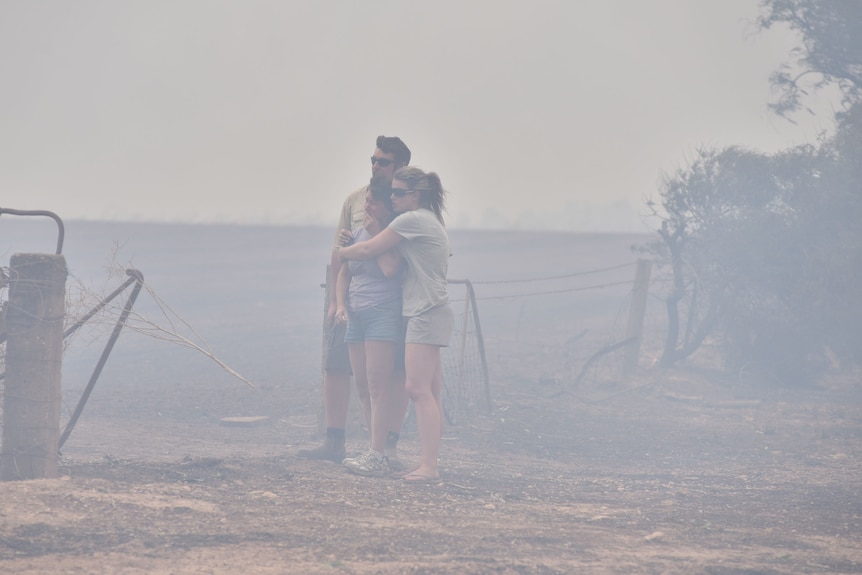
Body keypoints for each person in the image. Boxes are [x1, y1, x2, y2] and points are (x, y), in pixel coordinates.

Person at [297, 136, 411, 463]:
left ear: (400, 166)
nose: (375, 166)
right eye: (373, 160)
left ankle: (386, 447)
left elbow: (399, 259)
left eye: (383, 162)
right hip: (353, 298)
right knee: (338, 366)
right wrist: (336, 302)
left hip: (392, 301)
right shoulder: (355, 200)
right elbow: (340, 253)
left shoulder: (409, 200)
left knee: (394, 374)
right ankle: (335, 441)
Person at [338, 166, 453, 483]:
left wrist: (341, 250)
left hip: (425, 311)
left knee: (417, 389)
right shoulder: (427, 220)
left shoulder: (412, 219)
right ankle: (428, 462)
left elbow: (368, 250)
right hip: (432, 310)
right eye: (392, 193)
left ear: (415, 196)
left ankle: (429, 466)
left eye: (399, 193)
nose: (393, 198)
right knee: (430, 390)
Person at [334, 187, 408, 477]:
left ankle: (379, 454)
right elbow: (345, 272)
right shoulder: (356, 233)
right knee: (363, 387)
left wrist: (376, 234)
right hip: (356, 314)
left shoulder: (391, 235)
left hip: (381, 313)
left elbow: (390, 269)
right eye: (366, 202)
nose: (366, 207)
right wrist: (340, 304)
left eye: (372, 203)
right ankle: (373, 449)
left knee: (379, 386)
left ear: (386, 209)